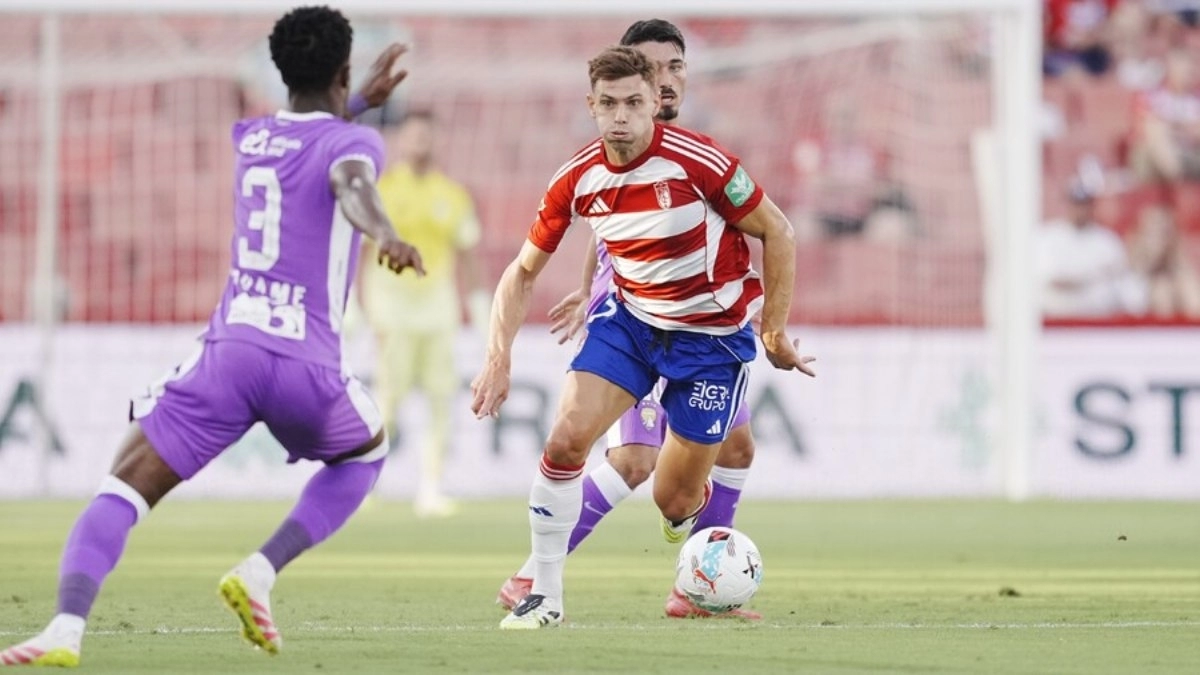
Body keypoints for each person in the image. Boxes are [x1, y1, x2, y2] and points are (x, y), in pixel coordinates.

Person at [0, 6, 422, 666]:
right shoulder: (355, 144)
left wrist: (359, 97)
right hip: (305, 369)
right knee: (366, 453)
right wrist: (386, 231)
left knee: (122, 485)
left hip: (228, 357)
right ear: (342, 70)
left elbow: (315, 134)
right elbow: (350, 181)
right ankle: (261, 569)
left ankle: (63, 628)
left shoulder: (250, 138)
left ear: (279, 71)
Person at [471, 45, 815, 630]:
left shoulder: (700, 161)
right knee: (565, 440)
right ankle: (543, 593)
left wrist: (775, 332)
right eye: (608, 104)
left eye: (633, 102)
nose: (621, 116)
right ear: (592, 107)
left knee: (674, 499)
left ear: (654, 103)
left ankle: (697, 550)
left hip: (710, 340)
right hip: (632, 325)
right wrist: (497, 356)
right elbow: (522, 271)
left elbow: (777, 231)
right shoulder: (576, 178)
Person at [359, 109, 489, 518]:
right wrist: (353, 307)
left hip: (437, 307)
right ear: (401, 140)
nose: (420, 144)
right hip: (392, 304)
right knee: (387, 401)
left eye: (426, 137)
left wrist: (481, 310)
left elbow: (468, 255)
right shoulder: (381, 191)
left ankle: (430, 488)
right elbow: (359, 252)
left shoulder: (452, 194)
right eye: (413, 136)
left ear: (436, 141)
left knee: (439, 398)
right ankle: (362, 486)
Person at [1038, 180, 1145, 318]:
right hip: (1056, 324)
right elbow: (1054, 281)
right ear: (1067, 204)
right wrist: (1092, 276)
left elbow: (1122, 282)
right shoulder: (1048, 237)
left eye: (1085, 204)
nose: (1080, 210)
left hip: (1099, 323)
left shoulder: (1108, 241)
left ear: (1092, 206)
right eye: (1076, 204)